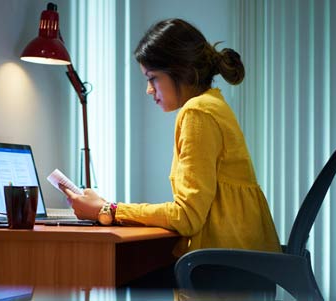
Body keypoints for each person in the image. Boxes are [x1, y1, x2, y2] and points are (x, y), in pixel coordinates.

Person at [62, 18, 281, 288]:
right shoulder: (214, 104)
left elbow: (187, 217)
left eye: (153, 78)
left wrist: (108, 209)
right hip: (243, 264)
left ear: (181, 71)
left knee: (105, 277)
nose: (149, 89)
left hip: (221, 269)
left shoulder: (197, 112)